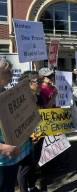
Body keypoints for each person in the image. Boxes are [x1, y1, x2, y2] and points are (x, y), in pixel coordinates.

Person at [0, 58, 32, 192]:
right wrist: (2, 148)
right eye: (7, 71)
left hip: (11, 159)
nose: (12, 74)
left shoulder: (5, 92)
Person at [17, 71, 42, 192]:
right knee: (24, 168)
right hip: (26, 138)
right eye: (38, 82)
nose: (41, 84)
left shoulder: (37, 95)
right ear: (29, 83)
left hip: (37, 134)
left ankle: (32, 186)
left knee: (33, 163)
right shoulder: (20, 99)